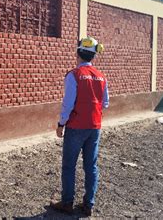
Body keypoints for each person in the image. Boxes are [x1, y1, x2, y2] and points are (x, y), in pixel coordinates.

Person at [50, 36, 109, 216]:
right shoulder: (101, 77)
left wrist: (61, 124)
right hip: (95, 126)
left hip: (76, 126)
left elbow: (68, 104)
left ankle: (67, 202)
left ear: (78, 53)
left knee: (69, 165)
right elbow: (105, 103)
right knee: (91, 166)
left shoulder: (73, 75)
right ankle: (88, 204)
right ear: (94, 56)